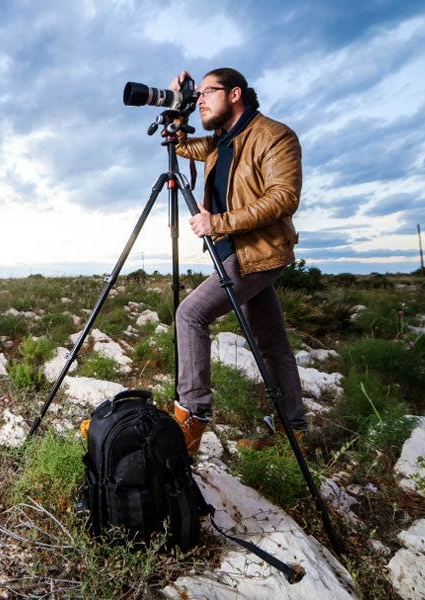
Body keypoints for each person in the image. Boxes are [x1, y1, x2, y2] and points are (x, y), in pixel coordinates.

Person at [168, 67, 307, 455]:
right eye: (199, 96)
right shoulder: (218, 142)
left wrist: (218, 222)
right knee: (272, 342)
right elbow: (179, 145)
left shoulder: (274, 135)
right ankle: (293, 432)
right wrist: (178, 103)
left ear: (235, 94)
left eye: (207, 93)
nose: (201, 101)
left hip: (258, 253)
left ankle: (190, 424)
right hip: (233, 253)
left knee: (190, 314)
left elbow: (284, 197)